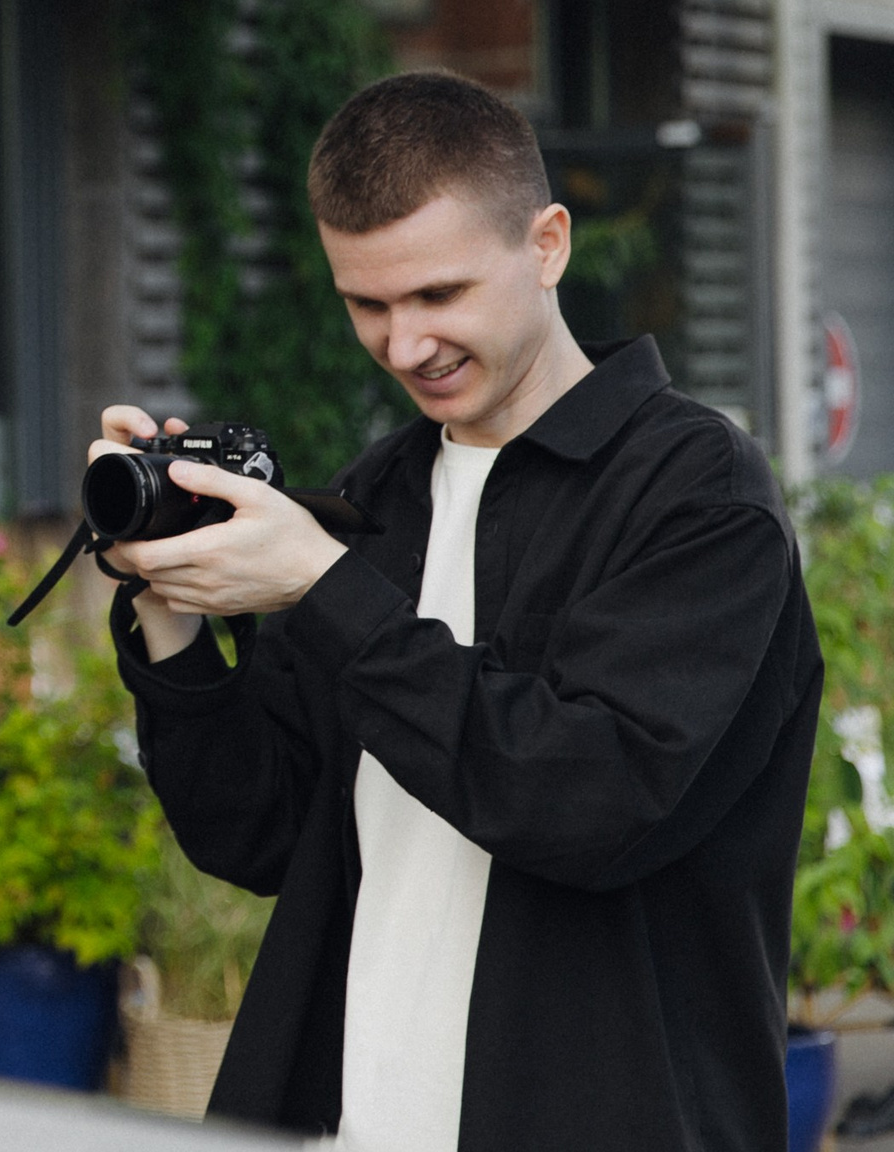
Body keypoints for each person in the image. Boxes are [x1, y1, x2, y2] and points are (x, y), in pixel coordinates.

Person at [95, 70, 821, 1152]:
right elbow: (257, 834)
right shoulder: (376, 495)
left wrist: (326, 591)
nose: (401, 346)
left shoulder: (697, 492)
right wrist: (171, 608)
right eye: (366, 304)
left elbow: (586, 801)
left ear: (547, 245)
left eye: (438, 296)